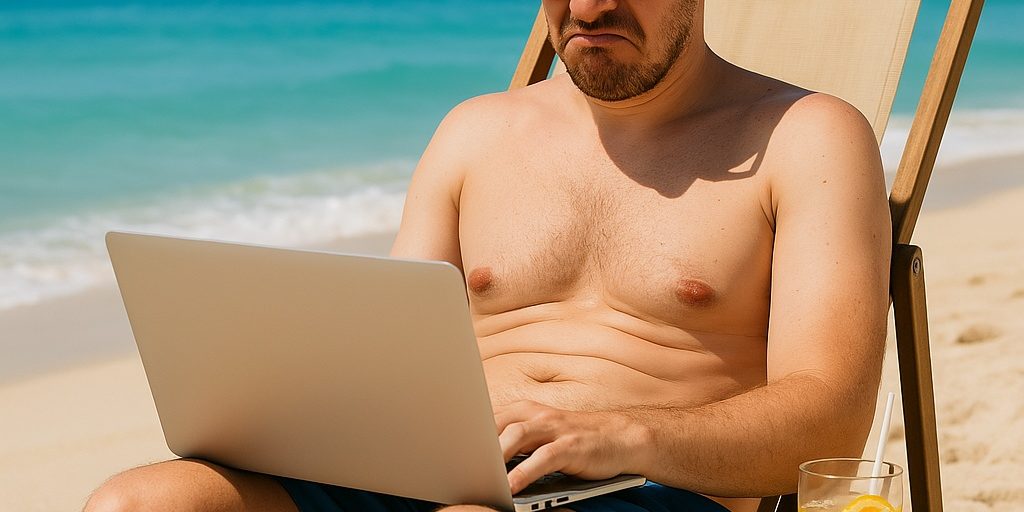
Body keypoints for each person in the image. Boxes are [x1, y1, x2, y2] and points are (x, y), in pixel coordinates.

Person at [84, 0, 892, 511]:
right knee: (138, 503)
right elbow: (384, 355)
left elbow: (831, 419)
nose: (592, 7)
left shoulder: (804, 137)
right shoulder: (475, 133)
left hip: (650, 488)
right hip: (432, 474)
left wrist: (615, 435)